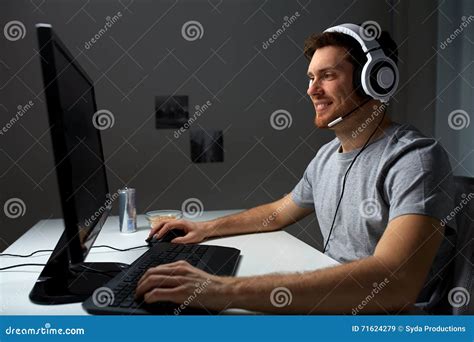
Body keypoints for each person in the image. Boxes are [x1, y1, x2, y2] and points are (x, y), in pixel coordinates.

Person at [135, 23, 456, 314]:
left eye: (328, 75)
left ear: (376, 79)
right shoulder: (328, 156)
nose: (312, 90)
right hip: (337, 304)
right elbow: (280, 210)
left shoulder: (414, 159)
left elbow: (396, 282)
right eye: (311, 78)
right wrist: (206, 228)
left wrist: (222, 289)